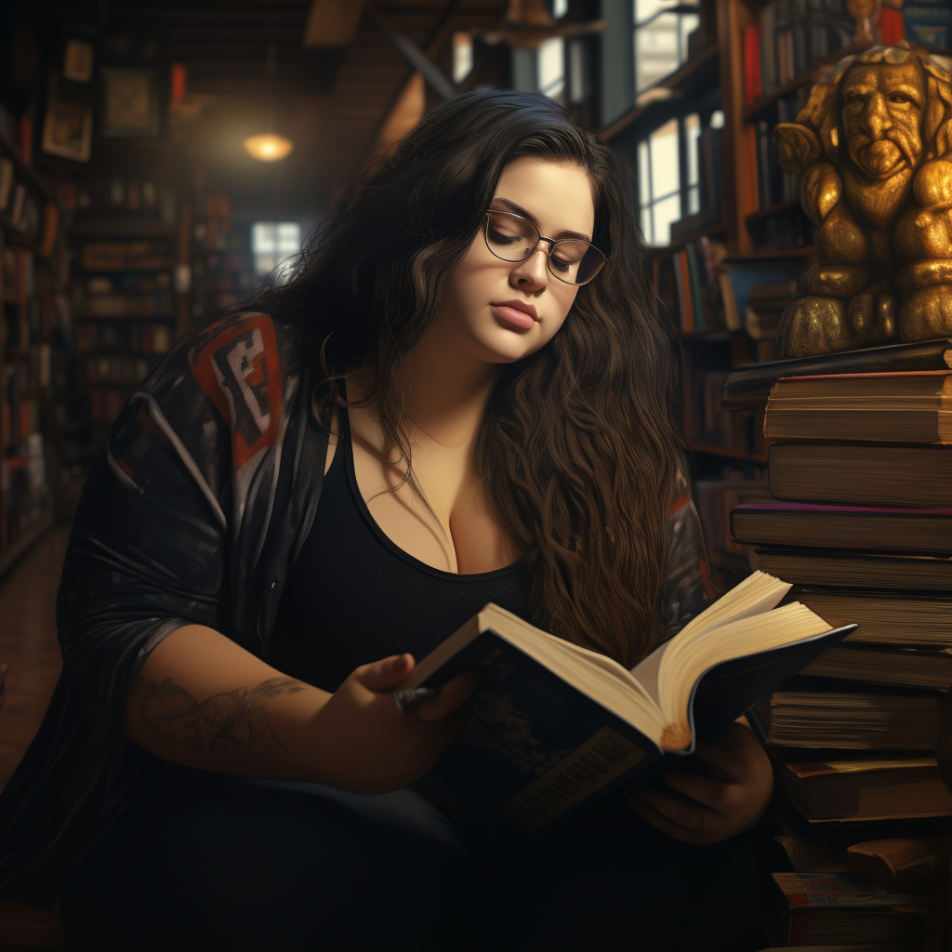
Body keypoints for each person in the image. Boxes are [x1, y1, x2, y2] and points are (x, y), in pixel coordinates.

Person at [0, 90, 779, 951]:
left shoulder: (622, 447)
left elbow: (675, 658)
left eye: (568, 256)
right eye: (506, 230)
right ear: (426, 217)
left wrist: (736, 763)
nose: (535, 275)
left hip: (536, 829)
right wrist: (320, 737)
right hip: (282, 805)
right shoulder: (250, 376)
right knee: (268, 890)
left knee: (715, 877)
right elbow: (121, 623)